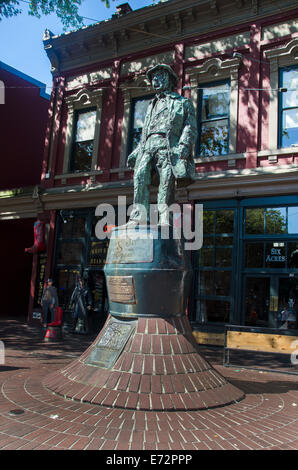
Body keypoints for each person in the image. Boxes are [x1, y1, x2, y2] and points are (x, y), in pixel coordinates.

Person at [127, 63, 197, 225]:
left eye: (160, 76)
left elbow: (190, 126)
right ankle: (139, 216)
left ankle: (165, 217)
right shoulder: (151, 105)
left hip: (168, 146)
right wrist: (137, 151)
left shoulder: (183, 102)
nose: (155, 80)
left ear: (170, 80)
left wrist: (184, 145)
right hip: (148, 146)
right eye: (153, 78)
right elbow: (146, 131)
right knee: (139, 177)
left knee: (166, 183)